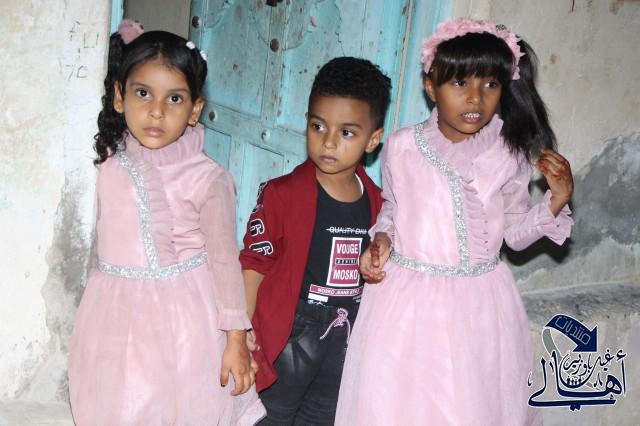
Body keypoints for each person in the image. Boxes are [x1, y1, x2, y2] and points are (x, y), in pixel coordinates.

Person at [335, 19, 574, 425]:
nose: (475, 98)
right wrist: (382, 240)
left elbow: (515, 236)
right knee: (398, 406)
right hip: (406, 306)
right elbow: (392, 208)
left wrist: (557, 200)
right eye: (460, 83)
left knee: (465, 408)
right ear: (431, 87)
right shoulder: (402, 147)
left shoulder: (510, 153)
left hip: (477, 307)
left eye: (490, 84)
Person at [68, 20, 265, 425]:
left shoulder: (208, 178)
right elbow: (99, 243)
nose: (157, 111)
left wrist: (235, 337)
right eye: (143, 93)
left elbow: (225, 263)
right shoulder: (108, 164)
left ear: (195, 109)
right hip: (112, 319)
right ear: (120, 97)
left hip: (183, 325)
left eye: (174, 98)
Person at [240, 57, 391, 424]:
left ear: (373, 139)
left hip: (345, 337)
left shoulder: (378, 201)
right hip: (291, 332)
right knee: (271, 416)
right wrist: (242, 329)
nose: (329, 142)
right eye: (318, 126)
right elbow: (254, 265)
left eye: (347, 132)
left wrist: (379, 254)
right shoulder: (282, 194)